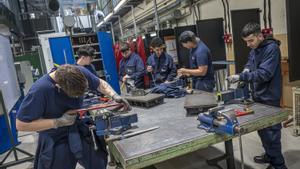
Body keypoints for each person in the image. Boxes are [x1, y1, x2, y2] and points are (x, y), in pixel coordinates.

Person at [16, 64, 131, 169]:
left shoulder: (78, 72)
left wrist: (114, 95)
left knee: (98, 161)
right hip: (54, 135)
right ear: (59, 87)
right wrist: (58, 122)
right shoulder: (40, 90)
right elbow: (21, 125)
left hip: (77, 126)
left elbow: (100, 84)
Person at [227, 22, 286, 169]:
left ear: (260, 36)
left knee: (271, 133)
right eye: (246, 42)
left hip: (269, 97)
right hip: (258, 95)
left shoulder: (271, 49)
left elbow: (265, 74)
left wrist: (240, 76)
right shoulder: (255, 49)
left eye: (250, 40)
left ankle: (278, 165)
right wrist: (246, 70)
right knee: (263, 130)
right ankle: (270, 155)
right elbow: (250, 63)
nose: (248, 44)